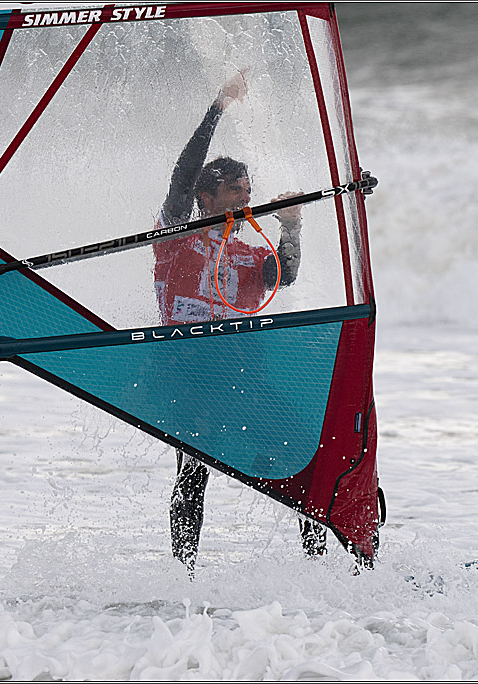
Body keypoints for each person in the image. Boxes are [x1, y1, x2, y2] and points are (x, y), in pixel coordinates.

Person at [152, 70, 326, 572]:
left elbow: (284, 274)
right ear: (207, 198)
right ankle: (184, 574)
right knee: (194, 469)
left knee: (298, 446)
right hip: (189, 366)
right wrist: (217, 108)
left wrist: (291, 226)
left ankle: (314, 567)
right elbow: (183, 176)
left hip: (241, 369)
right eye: (233, 190)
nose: (244, 198)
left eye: (248, 190)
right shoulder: (174, 235)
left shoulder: (249, 252)